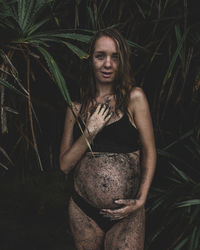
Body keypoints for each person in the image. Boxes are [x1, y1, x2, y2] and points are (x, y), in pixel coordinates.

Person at [59, 28, 156, 250]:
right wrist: (90, 132)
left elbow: (150, 152)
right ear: (90, 59)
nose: (108, 64)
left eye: (115, 57)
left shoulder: (135, 98)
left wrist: (140, 200)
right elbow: (64, 166)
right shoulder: (75, 106)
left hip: (127, 213)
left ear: (123, 61)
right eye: (100, 56)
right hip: (83, 210)